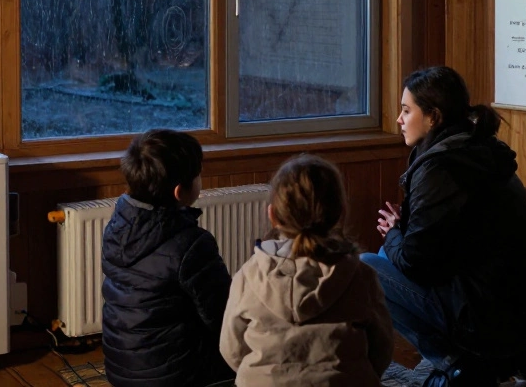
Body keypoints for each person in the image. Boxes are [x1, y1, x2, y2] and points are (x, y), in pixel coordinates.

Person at [361, 66, 526, 387]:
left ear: (433, 117)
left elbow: (417, 262)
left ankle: (460, 366)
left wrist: (395, 230)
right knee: (387, 253)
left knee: (365, 269)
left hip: (494, 315)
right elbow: (451, 243)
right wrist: (402, 231)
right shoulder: (477, 150)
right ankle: (511, 359)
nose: (399, 119)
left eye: (406, 110)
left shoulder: (442, 169)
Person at [220, 154, 395, 386]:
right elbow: (381, 349)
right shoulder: (360, 275)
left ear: (272, 215)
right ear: (340, 213)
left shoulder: (248, 276)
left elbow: (232, 350)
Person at [102, 129, 235, 387]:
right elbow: (224, 317)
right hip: (173, 378)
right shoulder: (192, 244)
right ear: (179, 191)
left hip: (121, 371)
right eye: (198, 175)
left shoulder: (117, 227)